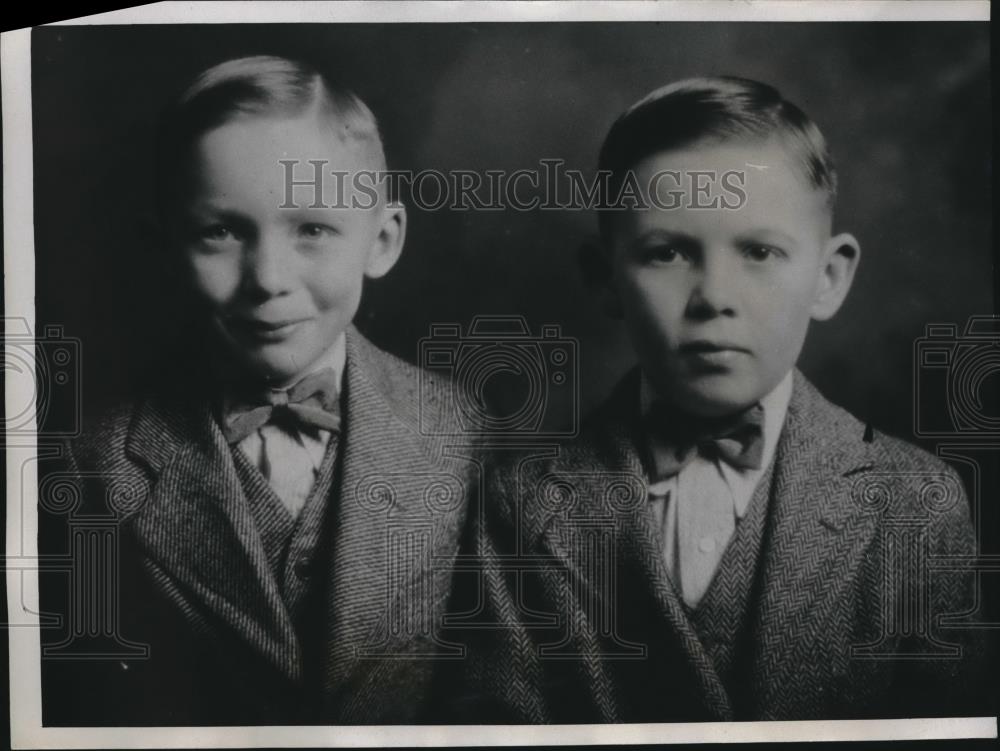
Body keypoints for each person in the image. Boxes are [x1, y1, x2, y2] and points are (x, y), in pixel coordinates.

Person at [455, 76, 989, 722]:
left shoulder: (916, 502)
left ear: (828, 276)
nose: (715, 296)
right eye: (669, 252)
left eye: (760, 251)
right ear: (605, 280)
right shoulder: (519, 503)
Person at [38, 55, 481, 725]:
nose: (268, 277)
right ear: (164, 248)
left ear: (382, 240)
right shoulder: (94, 459)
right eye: (222, 231)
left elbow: (496, 679)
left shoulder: (460, 428)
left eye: (312, 229)